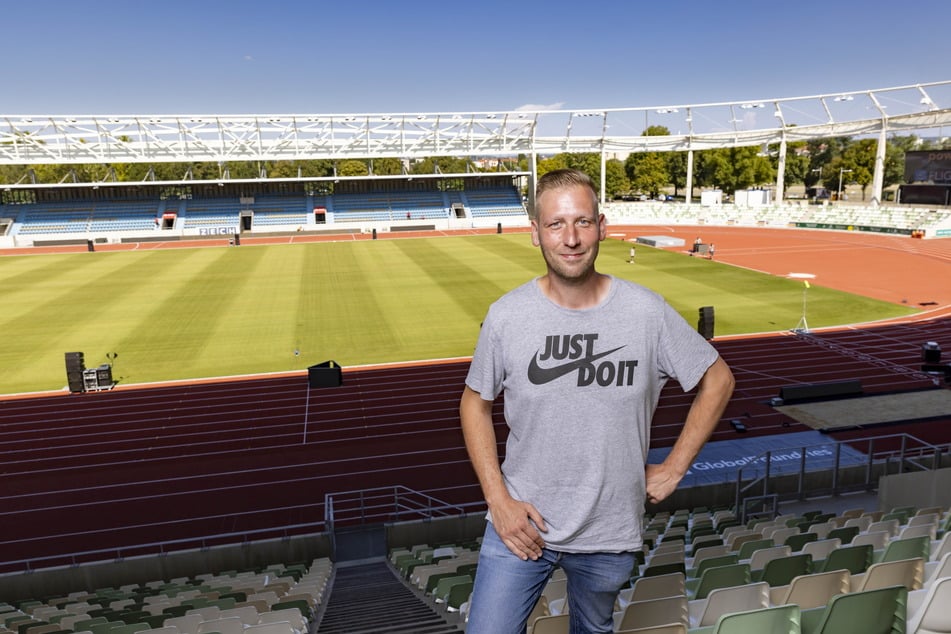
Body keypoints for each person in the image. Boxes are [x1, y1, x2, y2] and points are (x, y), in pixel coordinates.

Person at [459, 168, 735, 634]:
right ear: (535, 234)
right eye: (555, 224)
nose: (570, 238)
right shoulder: (507, 316)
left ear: (602, 227)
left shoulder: (646, 311)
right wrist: (498, 500)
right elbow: (473, 404)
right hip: (521, 527)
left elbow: (718, 379)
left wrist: (673, 468)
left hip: (610, 530)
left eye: (582, 222)